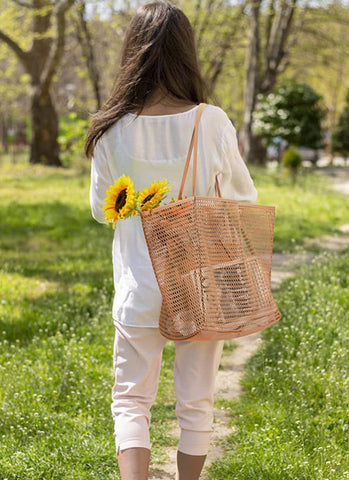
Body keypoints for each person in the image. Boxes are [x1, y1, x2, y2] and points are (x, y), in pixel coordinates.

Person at [85, 2, 257, 479]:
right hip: (199, 285)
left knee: (131, 399)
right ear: (186, 53)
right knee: (197, 401)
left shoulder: (110, 128)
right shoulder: (211, 122)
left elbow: (103, 210)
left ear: (131, 54)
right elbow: (243, 199)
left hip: (138, 284)